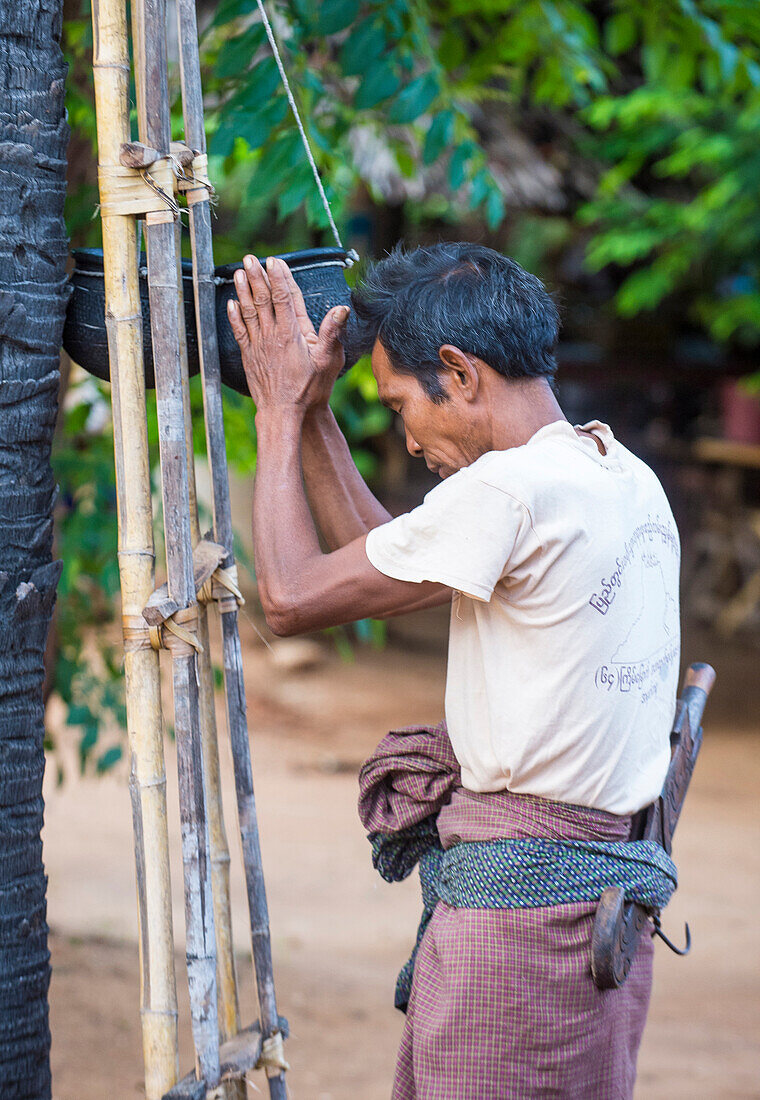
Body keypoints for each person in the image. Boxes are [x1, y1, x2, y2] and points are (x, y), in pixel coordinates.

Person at [227, 242, 681, 1099]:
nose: (407, 436)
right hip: (599, 921)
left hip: (523, 934)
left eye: (402, 405)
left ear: (460, 374)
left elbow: (287, 597)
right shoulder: (617, 474)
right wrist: (317, 412)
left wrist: (278, 417)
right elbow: (382, 564)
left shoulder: (507, 493)